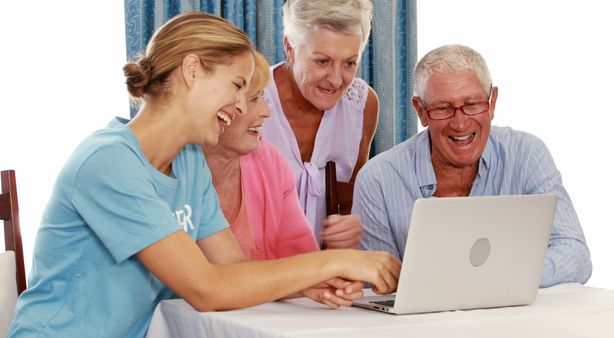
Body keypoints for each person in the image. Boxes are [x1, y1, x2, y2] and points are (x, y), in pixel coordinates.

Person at [8, 12, 400, 337]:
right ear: (192, 71)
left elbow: (230, 267)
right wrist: (333, 263)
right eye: (237, 86)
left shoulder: (190, 162)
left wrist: (306, 282)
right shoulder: (108, 163)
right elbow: (206, 288)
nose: (241, 105)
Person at [353, 44, 592, 288]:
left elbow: (575, 254)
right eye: (444, 108)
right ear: (421, 111)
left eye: (473, 104)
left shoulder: (527, 155)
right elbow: (377, 288)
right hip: (422, 324)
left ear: (492, 102)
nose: (460, 123)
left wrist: (497, 282)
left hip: (514, 318)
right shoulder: (378, 180)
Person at [262, 0, 378, 249]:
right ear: (290, 48)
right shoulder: (248, 101)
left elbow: (348, 206)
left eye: (349, 63)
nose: (336, 80)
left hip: (323, 277)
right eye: (322, 61)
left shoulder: (363, 105)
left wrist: (348, 229)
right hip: (256, 275)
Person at [203, 52, 318, 260]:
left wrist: (331, 280)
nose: (266, 111)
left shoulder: (269, 162)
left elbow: (301, 262)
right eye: (254, 99)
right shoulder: (174, 169)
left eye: (264, 98)